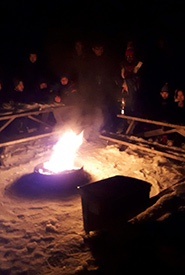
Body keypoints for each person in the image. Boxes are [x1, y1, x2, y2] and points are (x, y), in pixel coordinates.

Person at [120, 45, 143, 115]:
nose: (129, 59)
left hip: (135, 86)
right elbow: (123, 76)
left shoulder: (138, 65)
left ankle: (133, 111)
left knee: (133, 99)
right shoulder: (123, 65)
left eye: (131, 57)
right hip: (127, 87)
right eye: (127, 57)